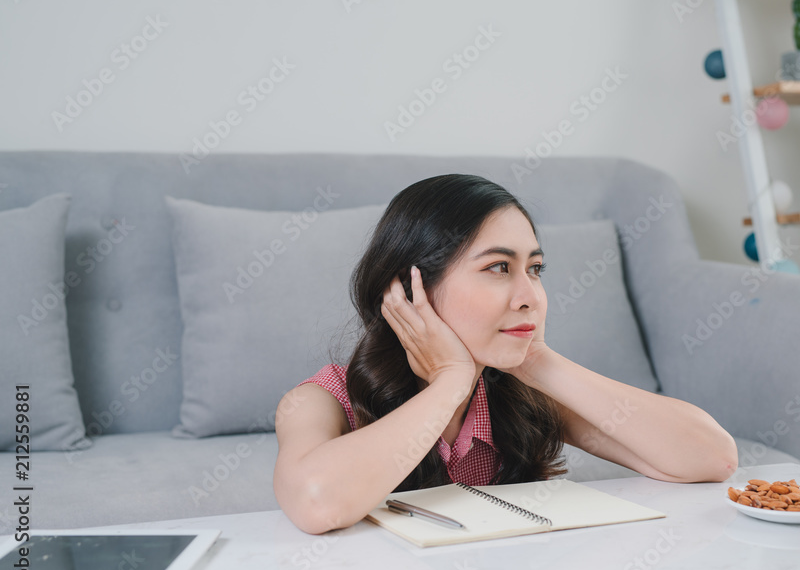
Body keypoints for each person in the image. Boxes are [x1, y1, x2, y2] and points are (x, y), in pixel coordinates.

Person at [273, 174, 737, 535]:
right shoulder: (321, 399)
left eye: (535, 269)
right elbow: (317, 503)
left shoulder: (516, 388)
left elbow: (712, 457)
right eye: (498, 267)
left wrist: (536, 359)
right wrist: (450, 379)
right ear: (412, 288)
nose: (530, 296)